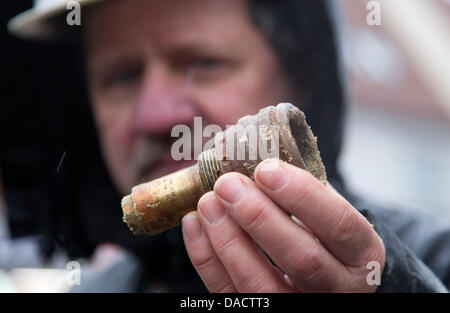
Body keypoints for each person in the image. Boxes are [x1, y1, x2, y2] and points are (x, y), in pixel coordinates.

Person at [7, 0, 449, 292]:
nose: (156, 115)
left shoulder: (437, 259)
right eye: (122, 76)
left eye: (204, 62)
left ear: (300, 79)